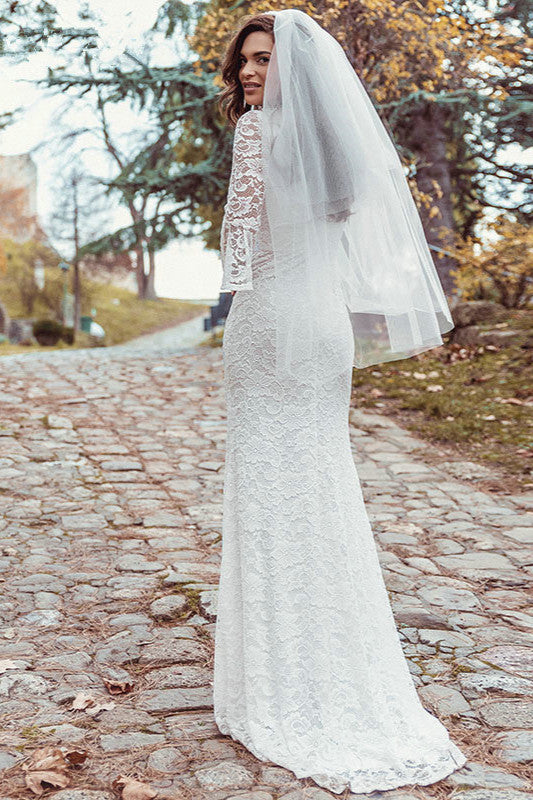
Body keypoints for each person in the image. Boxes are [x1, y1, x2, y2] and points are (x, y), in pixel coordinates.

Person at [213, 8, 467, 795]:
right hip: (325, 332)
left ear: (292, 70)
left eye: (263, 60)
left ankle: (279, 681)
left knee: (268, 489)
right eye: (243, 60)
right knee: (321, 484)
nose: (248, 72)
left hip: (268, 327)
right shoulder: (336, 154)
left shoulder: (255, 134)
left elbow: (239, 252)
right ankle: (338, 663)